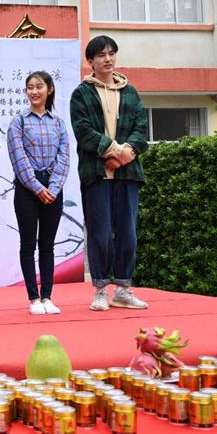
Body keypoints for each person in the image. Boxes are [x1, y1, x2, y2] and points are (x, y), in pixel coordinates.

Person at [70, 35, 149, 311]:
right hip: (96, 174)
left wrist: (126, 154)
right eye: (101, 55)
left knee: (127, 232)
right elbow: (83, 132)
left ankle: (124, 289)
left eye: (111, 53)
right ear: (90, 61)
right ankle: (101, 289)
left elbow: (141, 129)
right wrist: (116, 151)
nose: (108, 59)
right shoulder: (81, 93)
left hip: (128, 173)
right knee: (100, 232)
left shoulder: (130, 92)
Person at [7, 71, 70, 316]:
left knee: (47, 245)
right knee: (27, 244)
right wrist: (36, 187)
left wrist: (52, 188)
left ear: (49, 89)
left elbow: (64, 157)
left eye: (39, 86)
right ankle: (33, 298)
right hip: (26, 188)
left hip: (53, 189)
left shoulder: (59, 123)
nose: (34, 91)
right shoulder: (18, 122)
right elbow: (18, 158)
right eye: (30, 87)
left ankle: (47, 297)